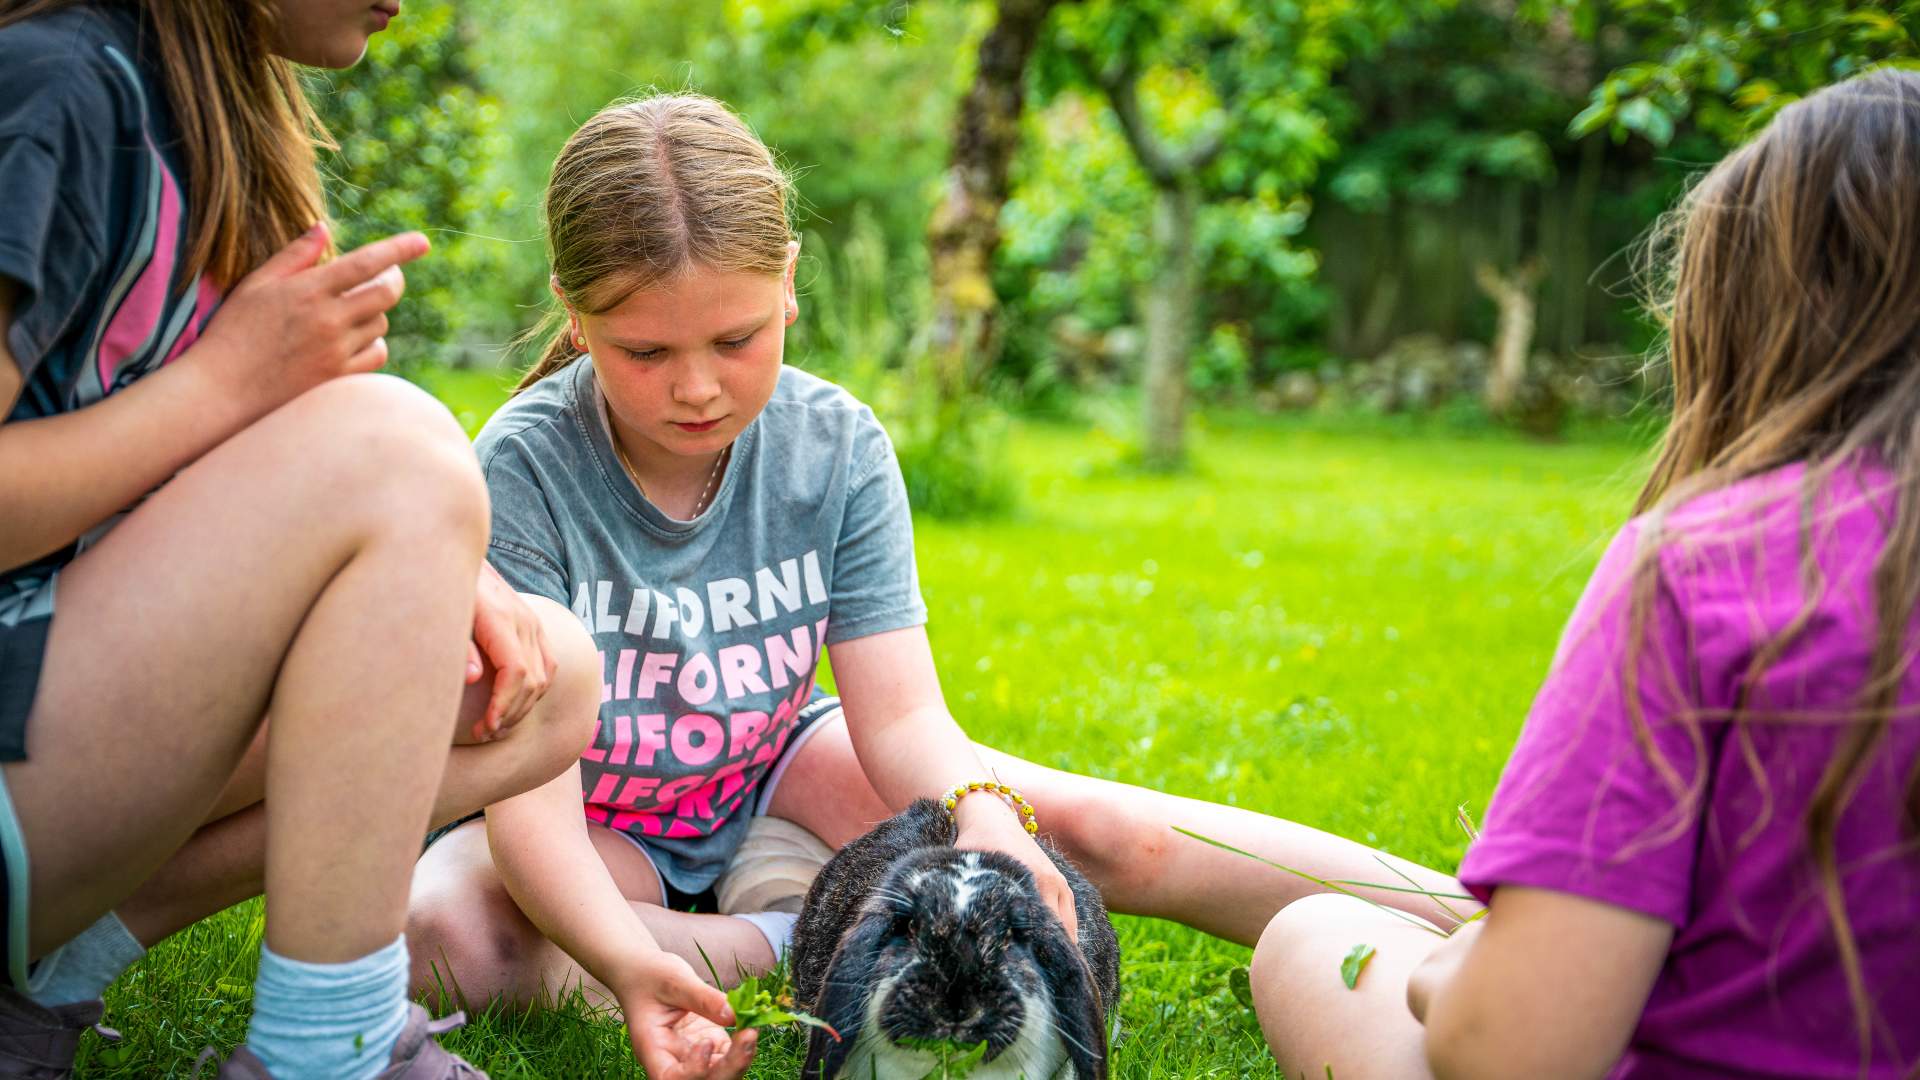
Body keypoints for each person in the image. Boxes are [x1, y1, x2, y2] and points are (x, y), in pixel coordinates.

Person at [405, 91, 1464, 1080]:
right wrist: (627, 963)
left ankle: (1475, 917)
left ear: (789, 282)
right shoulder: (522, 467)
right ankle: (792, 931)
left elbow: (905, 722)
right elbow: (532, 820)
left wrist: (985, 816)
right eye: (645, 352)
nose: (696, 387)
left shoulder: (837, 445)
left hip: (774, 761)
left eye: (737, 339)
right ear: (573, 312)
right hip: (596, 819)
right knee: (448, 934)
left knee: (1096, 833)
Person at [1250, 68, 1920, 1079]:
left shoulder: (1707, 567)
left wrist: (1452, 969)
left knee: (1314, 941)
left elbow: (1514, 1053)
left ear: (1746, 315)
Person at [0, 2, 599, 1077]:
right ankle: (331, 1055)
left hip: (52, 738)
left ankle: (35, 985)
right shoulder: (55, 89)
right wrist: (226, 384)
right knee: (399, 447)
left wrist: (436, 561)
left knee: (548, 676)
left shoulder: (205, 124)